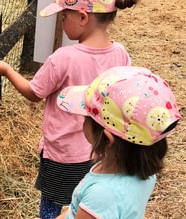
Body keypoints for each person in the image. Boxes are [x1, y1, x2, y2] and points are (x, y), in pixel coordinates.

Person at [0, 0, 141, 218]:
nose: (61, 21)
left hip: (62, 153)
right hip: (100, 149)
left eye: (64, 16)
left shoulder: (63, 58)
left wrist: (6, 71)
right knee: (84, 201)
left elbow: (34, 92)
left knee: (51, 205)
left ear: (82, 17)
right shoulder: (120, 54)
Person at [55, 66, 181, 218]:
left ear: (107, 139)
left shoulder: (102, 197)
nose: (83, 120)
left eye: (87, 117)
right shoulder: (141, 169)